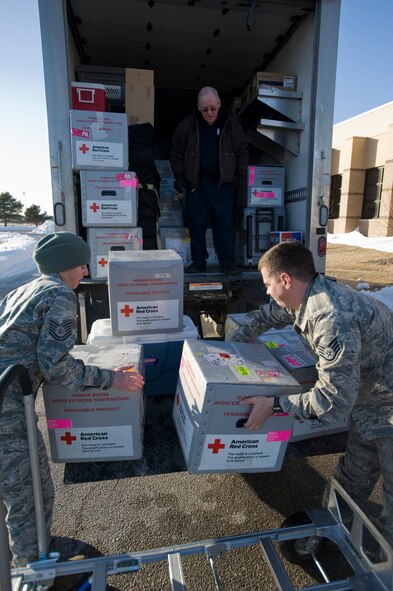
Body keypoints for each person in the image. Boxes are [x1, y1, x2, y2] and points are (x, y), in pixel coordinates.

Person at [230, 240, 393, 547]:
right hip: (371, 401)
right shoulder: (310, 295)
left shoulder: (332, 319)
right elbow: (271, 314)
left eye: (267, 284)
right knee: (351, 479)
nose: (266, 291)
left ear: (285, 280)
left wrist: (276, 404)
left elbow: (333, 402)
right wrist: (237, 343)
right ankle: (330, 531)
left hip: (387, 402)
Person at [0, 232, 144, 568]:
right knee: (28, 493)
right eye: (82, 264)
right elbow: (57, 367)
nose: (85, 271)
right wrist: (114, 379)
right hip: (7, 413)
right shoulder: (61, 296)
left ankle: (33, 548)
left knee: (21, 487)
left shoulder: (24, 290)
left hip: (8, 401)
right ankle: (35, 569)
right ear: (66, 265)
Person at [170, 86, 248, 274]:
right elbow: (176, 152)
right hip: (197, 185)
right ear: (198, 107)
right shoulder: (187, 125)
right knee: (196, 225)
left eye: (213, 108)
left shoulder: (231, 125)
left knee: (225, 226)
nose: (209, 113)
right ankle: (198, 263)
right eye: (205, 109)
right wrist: (179, 177)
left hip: (223, 185)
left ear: (219, 104)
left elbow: (242, 152)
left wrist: (240, 178)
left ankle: (228, 264)